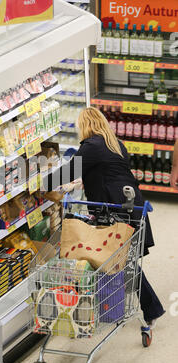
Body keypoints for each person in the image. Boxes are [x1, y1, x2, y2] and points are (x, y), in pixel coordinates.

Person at [45, 107, 165, 328]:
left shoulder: (91, 146)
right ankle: (136, 307)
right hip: (131, 203)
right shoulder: (115, 144)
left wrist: (38, 184)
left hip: (115, 209)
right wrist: (79, 183)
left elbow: (67, 172)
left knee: (121, 260)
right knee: (123, 259)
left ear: (85, 126)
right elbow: (110, 172)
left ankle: (149, 308)